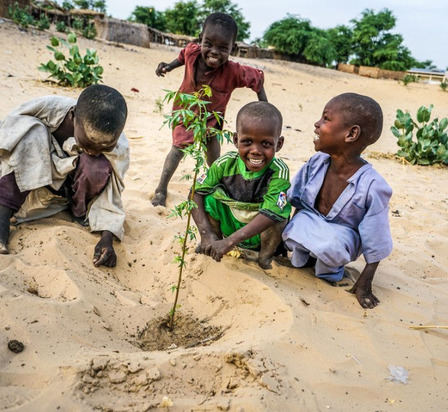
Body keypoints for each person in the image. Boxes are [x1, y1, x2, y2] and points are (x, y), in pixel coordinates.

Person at [0, 84, 129, 267]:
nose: (93, 150)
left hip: (70, 193)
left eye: (105, 147)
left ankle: (77, 212)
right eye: (88, 142)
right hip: (33, 183)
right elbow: (4, 145)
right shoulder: (46, 109)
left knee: (97, 165)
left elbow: (112, 195)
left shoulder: (118, 145)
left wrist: (107, 238)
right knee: (30, 131)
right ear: (73, 116)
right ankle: (0, 221)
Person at [281, 93, 393, 309]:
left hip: (341, 238)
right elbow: (295, 198)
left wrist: (365, 282)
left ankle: (329, 270)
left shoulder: (372, 185)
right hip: (312, 223)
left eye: (325, 119)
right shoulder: (317, 162)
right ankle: (306, 258)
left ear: (351, 134)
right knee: (294, 227)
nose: (316, 125)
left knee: (332, 245)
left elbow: (376, 236)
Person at [151, 12, 267, 207]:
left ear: (233, 48)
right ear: (199, 40)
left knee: (213, 157)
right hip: (185, 111)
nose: (214, 52)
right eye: (209, 44)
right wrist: (168, 67)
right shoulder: (191, 52)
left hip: (212, 119)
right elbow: (182, 57)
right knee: (178, 148)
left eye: (223, 48)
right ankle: (161, 188)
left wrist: (265, 108)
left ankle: (218, 186)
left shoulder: (233, 71)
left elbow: (257, 79)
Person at [192, 101, 290, 269]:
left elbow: (270, 213)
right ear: (236, 140)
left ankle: (264, 259)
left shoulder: (279, 172)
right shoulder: (225, 164)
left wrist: (231, 241)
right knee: (209, 199)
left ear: (278, 144)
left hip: (258, 233)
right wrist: (206, 234)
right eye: (247, 142)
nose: (256, 150)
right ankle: (213, 244)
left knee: (278, 216)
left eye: (266, 144)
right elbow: (195, 194)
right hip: (230, 227)